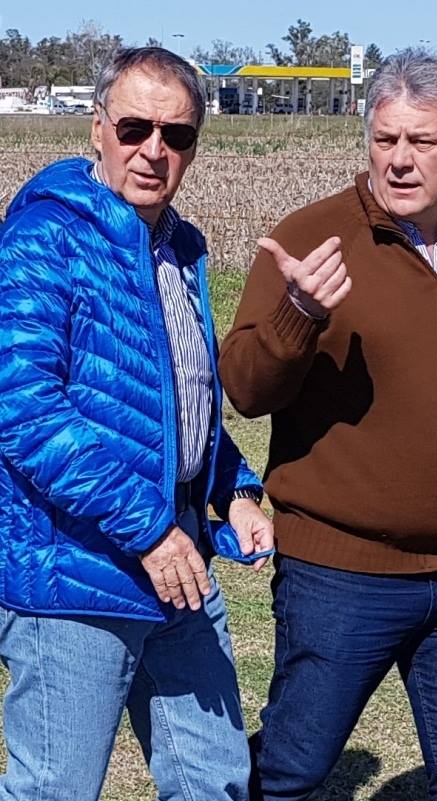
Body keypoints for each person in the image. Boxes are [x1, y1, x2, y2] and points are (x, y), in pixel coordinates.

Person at [219, 49, 437, 801]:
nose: (400, 160)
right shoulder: (313, 237)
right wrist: (299, 314)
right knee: (292, 770)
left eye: (422, 142)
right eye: (384, 139)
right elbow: (244, 388)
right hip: (340, 576)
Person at [0, 47, 276, 801]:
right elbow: (23, 409)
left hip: (178, 556)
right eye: (135, 128)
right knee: (55, 788)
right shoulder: (45, 237)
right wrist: (149, 531)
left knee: (214, 779)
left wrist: (233, 489)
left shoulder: (180, 247)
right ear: (97, 127)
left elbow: (176, 402)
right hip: (74, 571)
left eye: (176, 135)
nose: (155, 150)